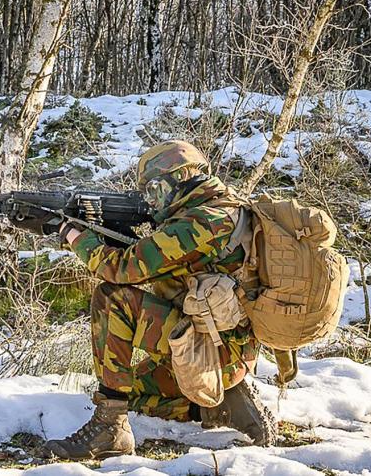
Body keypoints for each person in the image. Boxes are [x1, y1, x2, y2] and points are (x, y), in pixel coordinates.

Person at [44, 140, 277, 460]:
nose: (151, 202)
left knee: (114, 299)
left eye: (154, 191)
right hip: (222, 348)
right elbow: (157, 262)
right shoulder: (224, 208)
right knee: (132, 393)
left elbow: (120, 269)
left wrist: (71, 233)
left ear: (178, 180)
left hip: (213, 351)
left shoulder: (202, 223)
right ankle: (216, 405)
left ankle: (110, 429)